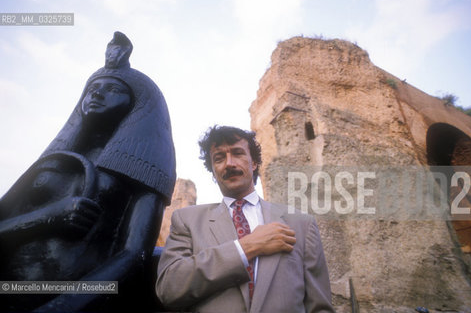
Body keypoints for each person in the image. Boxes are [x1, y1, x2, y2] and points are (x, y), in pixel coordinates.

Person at [0, 32, 176, 312]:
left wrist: (61, 307)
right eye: (93, 88)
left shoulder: (139, 170)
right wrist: (47, 217)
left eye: (113, 89)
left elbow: (133, 255)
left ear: (136, 105)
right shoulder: (53, 162)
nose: (97, 93)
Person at [156, 125, 334, 312]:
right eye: (219, 158)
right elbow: (169, 288)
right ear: (213, 172)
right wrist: (246, 247)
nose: (229, 163)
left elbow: (320, 306)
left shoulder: (301, 224)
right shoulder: (187, 221)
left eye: (238, 153)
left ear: (254, 162)